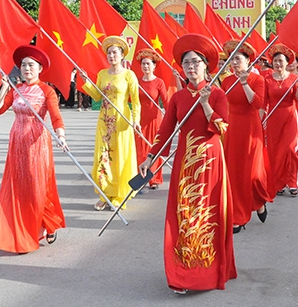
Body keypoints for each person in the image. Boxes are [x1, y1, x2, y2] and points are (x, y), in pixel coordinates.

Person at [138, 33, 236, 293]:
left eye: (195, 62)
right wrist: (150, 157)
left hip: (210, 161)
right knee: (184, 215)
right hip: (185, 164)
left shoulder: (217, 94)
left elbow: (222, 128)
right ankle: (183, 273)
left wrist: (205, 104)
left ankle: (208, 270)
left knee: (207, 216)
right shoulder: (177, 98)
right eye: (186, 63)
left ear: (206, 65)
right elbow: (165, 131)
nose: (191, 67)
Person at [0, 45, 66, 253]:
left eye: (31, 65)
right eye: (23, 65)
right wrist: (4, 87)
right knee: (20, 187)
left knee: (37, 186)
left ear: (40, 68)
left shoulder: (47, 90)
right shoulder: (17, 89)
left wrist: (61, 136)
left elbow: (56, 116)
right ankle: (23, 230)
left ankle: (47, 222)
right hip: (17, 143)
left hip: (37, 144)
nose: (26, 68)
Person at [82, 36, 141, 211]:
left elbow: (135, 101)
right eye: (109, 52)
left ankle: (119, 195)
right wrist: (87, 81)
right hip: (104, 123)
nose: (111, 55)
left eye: (115, 52)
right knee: (103, 158)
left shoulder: (129, 75)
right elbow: (98, 97)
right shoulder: (102, 74)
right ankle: (105, 195)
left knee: (120, 158)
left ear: (122, 55)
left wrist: (136, 121)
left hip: (122, 122)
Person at [221, 39, 271, 232]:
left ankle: (258, 201)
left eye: (238, 59)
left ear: (248, 61)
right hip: (233, 129)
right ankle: (239, 215)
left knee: (252, 174)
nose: (234, 62)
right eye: (232, 59)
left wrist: (244, 83)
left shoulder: (257, 80)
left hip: (251, 130)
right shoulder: (225, 80)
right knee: (235, 172)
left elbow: (257, 103)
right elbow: (223, 104)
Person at [264, 45, 298, 196]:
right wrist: (261, 118)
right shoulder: (267, 79)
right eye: (275, 61)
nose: (278, 64)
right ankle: (279, 182)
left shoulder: (294, 78)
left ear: (287, 63)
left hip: (290, 117)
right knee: (275, 152)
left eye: (281, 61)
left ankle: (292, 182)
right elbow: (263, 102)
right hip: (273, 118)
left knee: (290, 149)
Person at [134, 48, 168, 190]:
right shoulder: (136, 82)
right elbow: (131, 99)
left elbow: (166, 101)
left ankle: (154, 179)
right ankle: (141, 178)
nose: (146, 66)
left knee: (154, 149)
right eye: (143, 64)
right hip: (140, 120)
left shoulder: (159, 82)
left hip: (155, 120)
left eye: (148, 64)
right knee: (141, 151)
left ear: (154, 66)